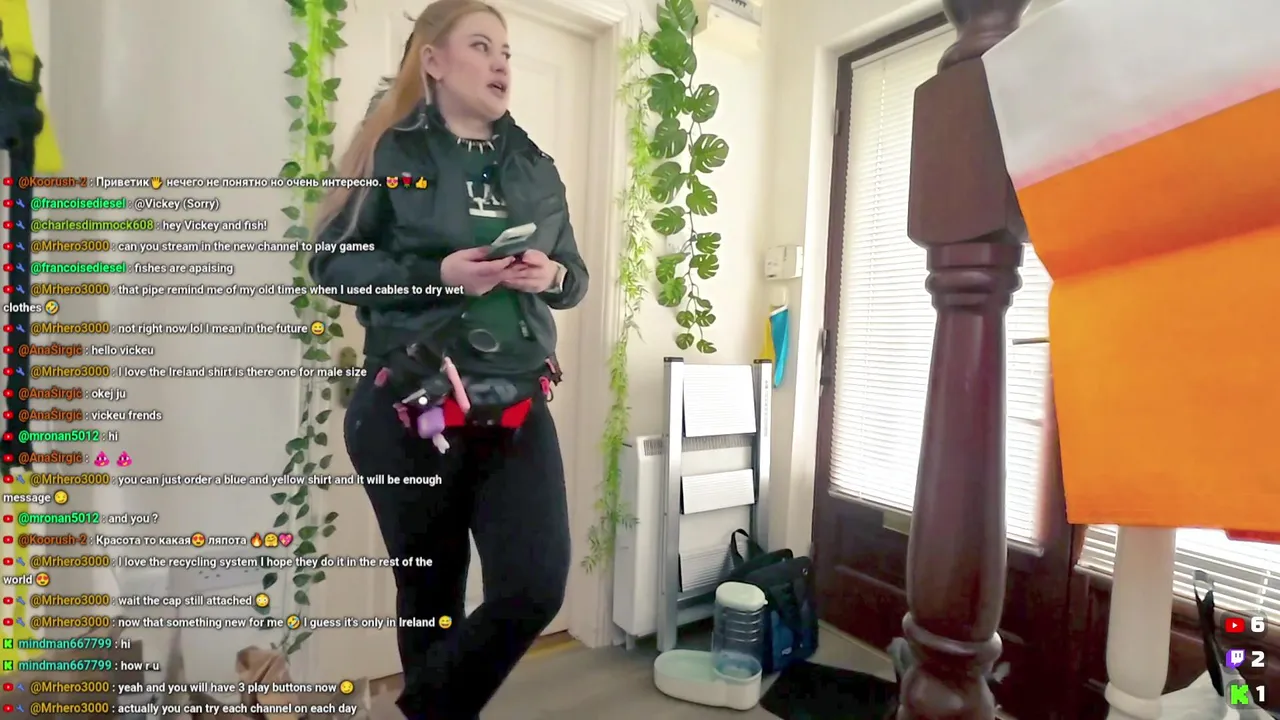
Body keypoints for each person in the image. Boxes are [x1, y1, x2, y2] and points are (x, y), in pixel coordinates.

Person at [308, 1, 587, 717]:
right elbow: (332, 263)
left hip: (515, 401)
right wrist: (439, 275)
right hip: (411, 403)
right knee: (431, 597)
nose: (500, 63)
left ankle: (420, 711)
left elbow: (574, 277)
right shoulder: (390, 153)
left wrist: (550, 275)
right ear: (432, 60)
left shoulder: (536, 167)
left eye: (506, 51)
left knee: (534, 585)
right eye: (481, 45)